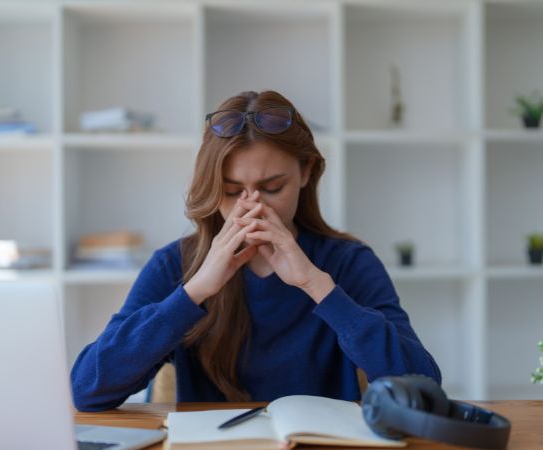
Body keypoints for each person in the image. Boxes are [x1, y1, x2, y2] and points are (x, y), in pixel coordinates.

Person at [70, 90, 441, 411]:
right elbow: (87, 390)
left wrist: (316, 285)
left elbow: (423, 388)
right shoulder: (175, 264)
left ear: (306, 172)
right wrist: (195, 291)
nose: (253, 209)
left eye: (273, 187)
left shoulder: (347, 262)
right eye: (232, 192)